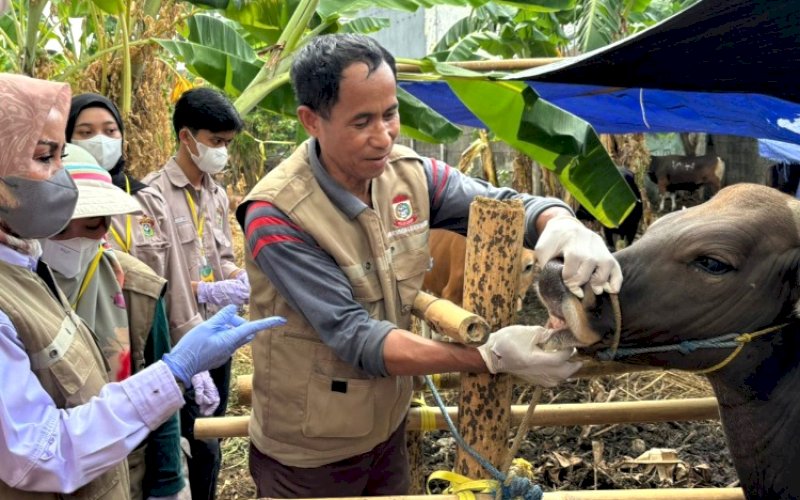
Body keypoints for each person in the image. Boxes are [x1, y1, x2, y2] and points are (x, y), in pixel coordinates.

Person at [237, 34, 623, 497]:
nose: (384, 136)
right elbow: (355, 335)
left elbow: (503, 202)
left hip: (386, 430)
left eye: (390, 113)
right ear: (311, 121)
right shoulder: (277, 214)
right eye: (362, 121)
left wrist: (561, 225)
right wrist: (489, 356)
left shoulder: (409, 174)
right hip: (309, 451)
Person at [0, 72, 284, 499]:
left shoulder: (34, 265)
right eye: (46, 156)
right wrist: (175, 369)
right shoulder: (150, 202)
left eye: (61, 155)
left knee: (207, 449)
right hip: (108, 445)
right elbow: (41, 450)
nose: (59, 176)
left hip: (140, 430)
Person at [144, 86, 248, 500]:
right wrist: (202, 290)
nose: (222, 152)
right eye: (215, 142)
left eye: (227, 143)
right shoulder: (151, 199)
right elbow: (155, 283)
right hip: (181, 346)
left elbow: (221, 254)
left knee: (212, 442)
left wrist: (237, 278)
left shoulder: (216, 194)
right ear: (186, 137)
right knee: (182, 441)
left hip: (217, 338)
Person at [65, 93, 204, 345]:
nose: (100, 141)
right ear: (66, 140)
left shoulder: (148, 200)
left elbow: (175, 280)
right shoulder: (56, 204)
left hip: (149, 335)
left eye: (110, 131)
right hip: (83, 338)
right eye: (86, 133)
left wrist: (191, 343)